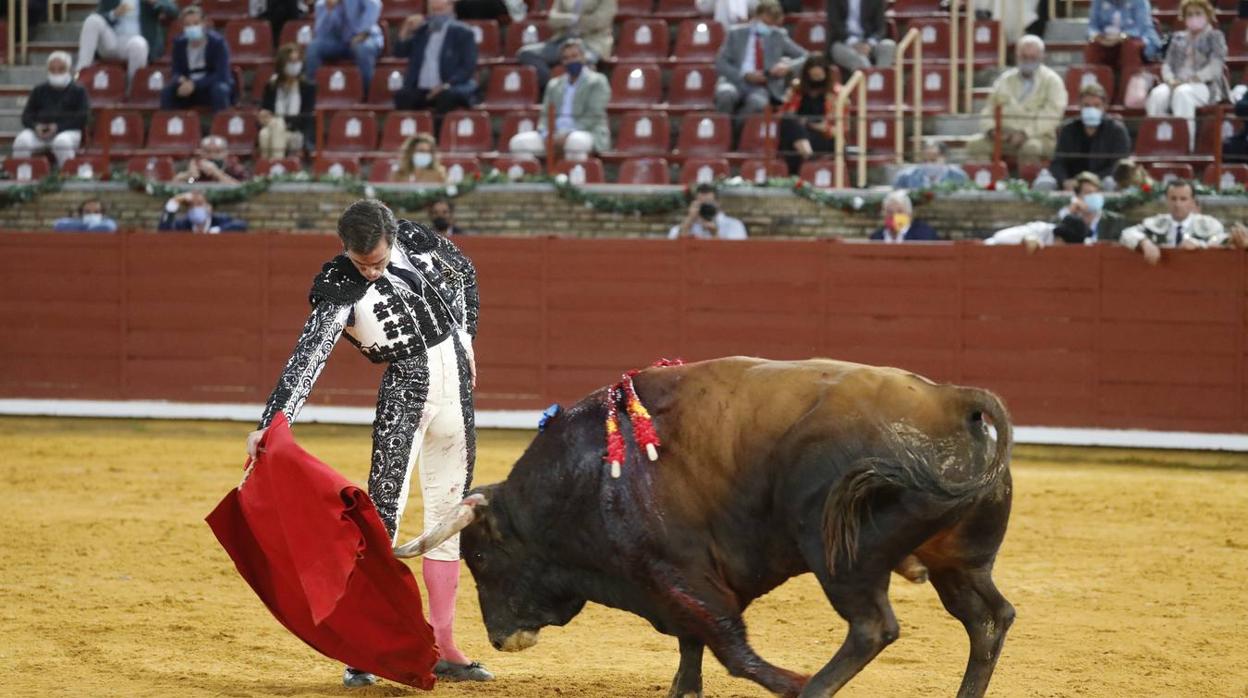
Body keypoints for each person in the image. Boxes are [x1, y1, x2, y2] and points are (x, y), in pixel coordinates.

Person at [244, 199, 489, 688]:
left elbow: (463, 273)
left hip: (457, 390)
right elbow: (310, 353)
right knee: (382, 518)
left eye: (377, 261)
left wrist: (466, 338)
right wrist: (274, 421)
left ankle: (443, 643)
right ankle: (365, 650)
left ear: (390, 238)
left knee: (450, 515)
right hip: (406, 392)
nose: (372, 272)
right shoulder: (339, 285)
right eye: (362, 264)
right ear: (346, 252)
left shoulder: (417, 239)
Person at [966, 35, 1068, 168]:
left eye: (1033, 57)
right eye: (1024, 57)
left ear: (1042, 57)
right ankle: (987, 185)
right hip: (1003, 136)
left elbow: (1053, 115)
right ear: (1017, 56)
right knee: (976, 145)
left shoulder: (1052, 81)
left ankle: (1025, 187)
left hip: (1038, 137)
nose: (1028, 61)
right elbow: (988, 109)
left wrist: (1025, 133)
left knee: (1031, 148)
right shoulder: (1004, 80)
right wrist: (992, 130)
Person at [1145, 0, 1228, 152]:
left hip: (1203, 86)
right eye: (1190, 14)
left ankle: (1183, 147)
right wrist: (1170, 79)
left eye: (1198, 13)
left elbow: (1215, 66)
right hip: (1175, 82)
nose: (1194, 17)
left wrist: (1193, 79)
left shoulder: (1215, 36)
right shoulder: (1177, 37)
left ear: (1208, 15)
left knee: (1182, 94)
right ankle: (1156, 143)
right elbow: (1167, 64)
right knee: (1157, 94)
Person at [509, 40, 610, 160]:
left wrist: (567, 133)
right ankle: (537, 177)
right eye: (566, 58)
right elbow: (545, 115)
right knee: (518, 143)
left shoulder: (597, 81)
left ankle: (572, 178)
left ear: (583, 57)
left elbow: (593, 115)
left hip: (585, 132)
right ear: (562, 61)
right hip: (554, 134)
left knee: (575, 143)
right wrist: (547, 134)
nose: (571, 61)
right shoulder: (554, 84)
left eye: (574, 56)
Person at [985, 171, 1125, 249]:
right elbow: (998, 238)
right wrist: (1025, 238)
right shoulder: (1049, 226)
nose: (1092, 197)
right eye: (1087, 193)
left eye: (1095, 192)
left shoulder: (1114, 221)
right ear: (1077, 196)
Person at [714, 0, 806, 116]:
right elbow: (721, 62)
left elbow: (806, 57)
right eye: (765, 23)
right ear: (757, 16)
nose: (768, 27)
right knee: (726, 94)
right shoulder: (735, 33)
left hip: (761, 86)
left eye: (772, 24)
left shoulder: (778, 36)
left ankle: (737, 131)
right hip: (734, 80)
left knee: (757, 103)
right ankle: (722, 131)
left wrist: (787, 67)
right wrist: (744, 75)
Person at [393, 0, 479, 119]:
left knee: (446, 97)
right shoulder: (421, 31)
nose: (437, 14)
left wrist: (446, 85)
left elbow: (467, 67)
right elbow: (399, 53)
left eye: (440, 9)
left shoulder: (463, 32)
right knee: (403, 96)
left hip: (448, 87)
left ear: (451, 8)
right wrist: (406, 30)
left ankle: (439, 136)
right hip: (421, 88)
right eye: (433, 10)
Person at [1120, 179, 1227, 264]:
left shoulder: (1209, 224)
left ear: (1192, 202)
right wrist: (1144, 242)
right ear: (1167, 200)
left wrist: (1200, 245)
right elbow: (1127, 233)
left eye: (1183, 199)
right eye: (1173, 199)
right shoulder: (1157, 222)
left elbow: (1222, 239)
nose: (1178, 204)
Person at [13, 52, 88, 167]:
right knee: (21, 141)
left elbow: (82, 117)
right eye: (52, 69)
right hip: (40, 132)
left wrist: (57, 127)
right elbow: (26, 116)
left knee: (61, 143)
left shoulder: (79, 91)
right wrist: (36, 127)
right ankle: (21, 177)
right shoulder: (39, 90)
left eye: (61, 69)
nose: (56, 73)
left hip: (67, 132)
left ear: (69, 70)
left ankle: (68, 176)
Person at [516, 0, 616, 87]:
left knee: (585, 61)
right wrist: (571, 19)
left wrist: (572, 20)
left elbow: (600, 21)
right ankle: (551, 87)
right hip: (563, 41)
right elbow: (553, 19)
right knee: (526, 53)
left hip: (590, 42)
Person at [1050, 83, 1132, 186]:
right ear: (1079, 106)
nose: (1091, 109)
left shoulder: (1117, 130)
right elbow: (1058, 163)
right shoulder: (1068, 129)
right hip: (1073, 183)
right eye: (1087, 106)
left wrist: (1091, 181)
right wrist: (1065, 181)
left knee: (1110, 183)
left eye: (1096, 106)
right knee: (1045, 182)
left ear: (1104, 107)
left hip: (1102, 181)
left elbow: (1119, 166)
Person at [76, 0, 178, 80]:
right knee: (92, 20)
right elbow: (101, 16)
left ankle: (133, 87)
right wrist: (114, 14)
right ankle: (81, 72)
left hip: (136, 41)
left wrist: (156, 2)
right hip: (111, 41)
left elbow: (174, 11)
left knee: (138, 44)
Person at [1084, 0, 1161, 103]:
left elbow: (1140, 28)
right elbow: (1091, 27)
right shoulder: (1098, 1)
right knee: (1093, 46)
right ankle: (1094, 97)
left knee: (1130, 46)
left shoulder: (1140, 2)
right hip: (1106, 41)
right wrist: (1097, 36)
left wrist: (1122, 37)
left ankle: (1124, 97)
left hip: (1134, 40)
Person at [162, 5, 236, 113]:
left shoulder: (218, 43)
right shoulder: (179, 43)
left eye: (196, 23)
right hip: (188, 89)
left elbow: (221, 74)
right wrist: (180, 79)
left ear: (204, 23)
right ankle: (166, 127)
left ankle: (220, 126)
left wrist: (195, 84)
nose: (192, 27)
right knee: (167, 92)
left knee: (220, 90)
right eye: (187, 25)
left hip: (209, 86)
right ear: (183, 26)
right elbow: (175, 71)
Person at [304, 0, 383, 97]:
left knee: (363, 49)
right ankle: (311, 95)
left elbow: (374, 6)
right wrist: (329, 10)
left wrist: (362, 32)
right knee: (314, 47)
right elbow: (321, 33)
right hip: (339, 42)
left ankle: (367, 95)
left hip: (365, 37)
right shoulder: (322, 3)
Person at [777, 55, 836, 174]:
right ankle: (808, 156)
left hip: (822, 137)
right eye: (813, 76)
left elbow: (833, 129)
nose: (816, 80)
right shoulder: (796, 90)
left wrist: (808, 124)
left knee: (792, 142)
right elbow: (783, 115)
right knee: (789, 122)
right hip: (798, 135)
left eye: (819, 76)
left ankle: (799, 170)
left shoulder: (836, 94)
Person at [259, 43, 317, 158]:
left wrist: (279, 119)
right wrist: (263, 116)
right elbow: (265, 111)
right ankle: (273, 170)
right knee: (264, 134)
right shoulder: (271, 86)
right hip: (273, 129)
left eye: (297, 61)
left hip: (297, 133)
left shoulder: (308, 87)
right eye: (291, 62)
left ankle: (272, 168)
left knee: (276, 124)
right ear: (282, 64)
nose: (295, 65)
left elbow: (306, 117)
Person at [826, 0, 894, 74]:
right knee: (861, 60)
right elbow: (835, 25)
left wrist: (869, 44)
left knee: (888, 45)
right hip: (843, 42)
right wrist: (854, 43)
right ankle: (870, 81)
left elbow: (881, 28)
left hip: (868, 41)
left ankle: (880, 79)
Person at [668, 183, 747, 239]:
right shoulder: (684, 226)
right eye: (702, 204)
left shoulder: (734, 225)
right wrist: (688, 222)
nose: (705, 208)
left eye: (709, 204)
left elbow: (734, 254)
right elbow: (672, 250)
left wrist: (715, 234)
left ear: (718, 203)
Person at [891, 139, 970, 189]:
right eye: (925, 160)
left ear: (944, 158)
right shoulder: (905, 177)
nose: (929, 163)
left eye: (933, 159)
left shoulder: (958, 176)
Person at [869, 189, 940, 242]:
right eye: (889, 212)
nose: (894, 216)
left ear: (909, 215)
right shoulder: (876, 237)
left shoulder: (924, 234)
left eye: (899, 212)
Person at [158, 192, 249, 233]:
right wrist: (174, 202)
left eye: (199, 204)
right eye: (191, 205)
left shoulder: (220, 220)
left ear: (209, 208)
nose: (195, 208)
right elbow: (163, 231)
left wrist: (218, 231)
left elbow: (242, 225)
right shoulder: (182, 225)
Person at [174, 136, 249, 183]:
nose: (212, 155)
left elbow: (243, 189)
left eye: (217, 152)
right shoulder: (194, 164)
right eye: (207, 151)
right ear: (200, 152)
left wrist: (218, 175)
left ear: (225, 153)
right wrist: (190, 176)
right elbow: (190, 183)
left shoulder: (234, 168)